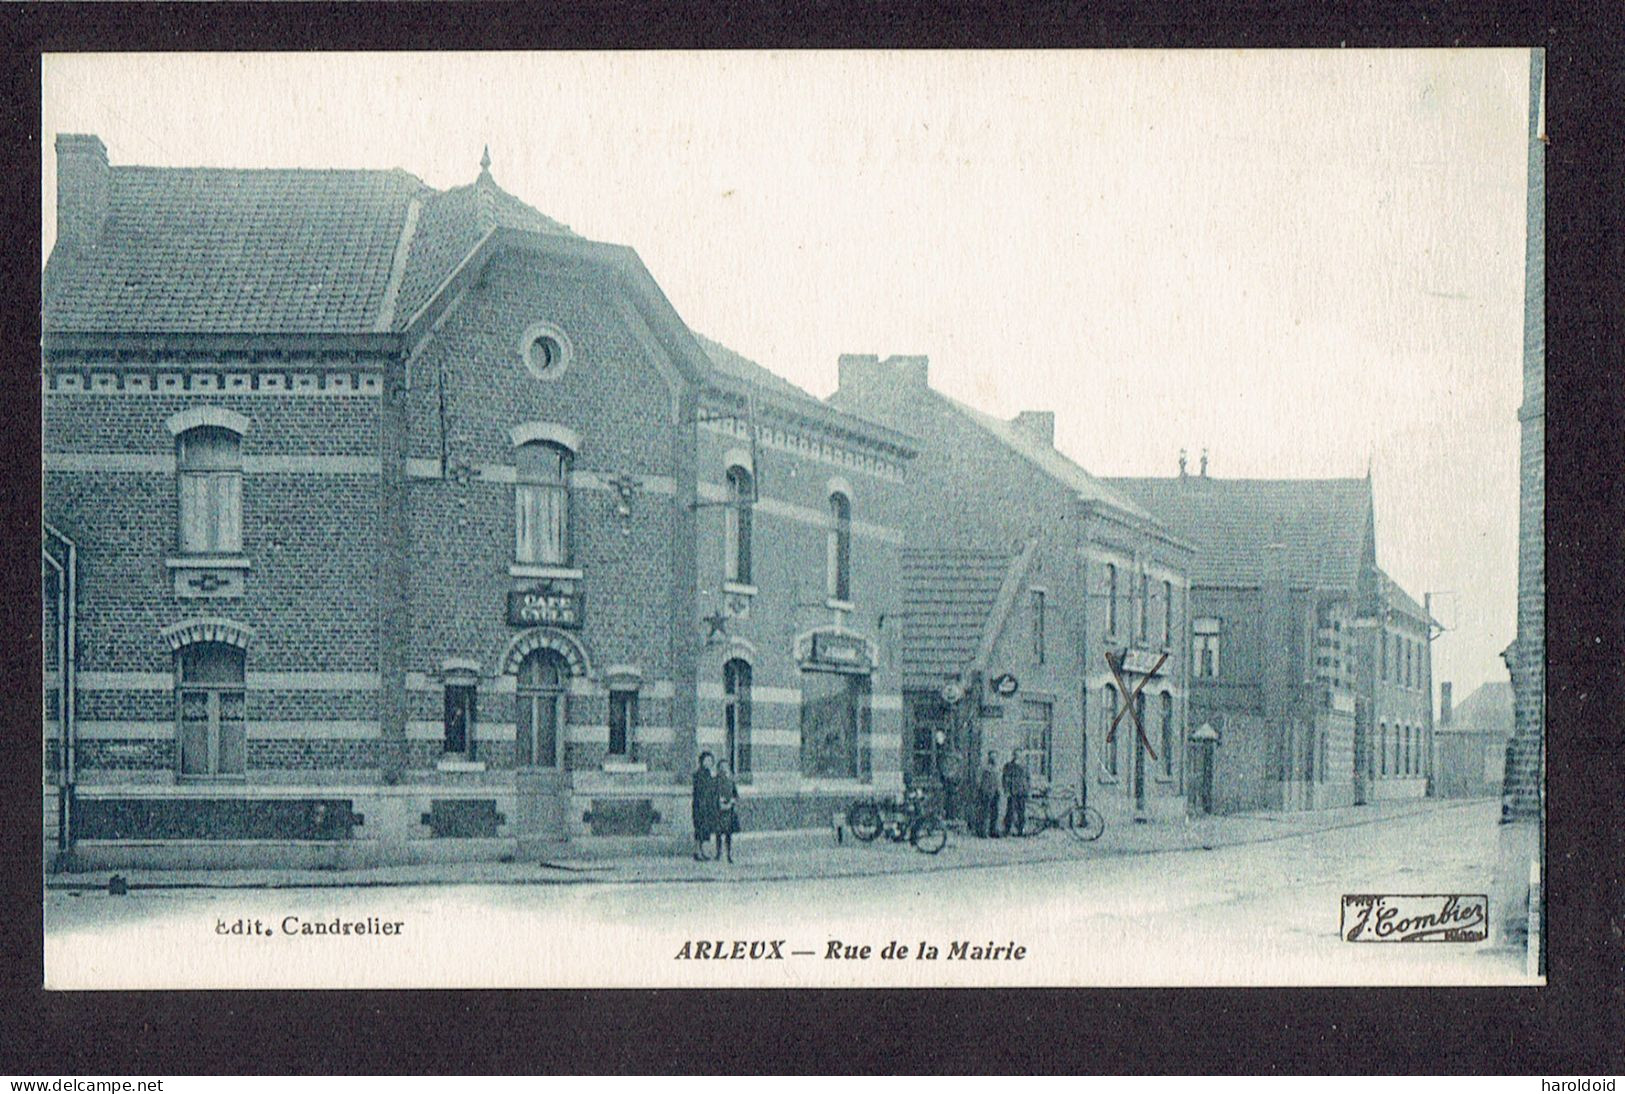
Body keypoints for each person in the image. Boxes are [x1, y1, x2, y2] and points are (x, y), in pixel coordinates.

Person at [691, 751, 719, 861]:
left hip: (708, 806)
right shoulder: (700, 775)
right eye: (706, 760)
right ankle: (699, 852)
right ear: (702, 762)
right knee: (700, 830)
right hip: (701, 806)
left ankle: (702, 852)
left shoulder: (709, 774)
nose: (709, 762)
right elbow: (701, 792)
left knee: (704, 830)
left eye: (710, 760)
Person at [714, 759, 741, 863]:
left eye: (725, 766)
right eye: (722, 767)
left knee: (728, 834)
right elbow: (713, 794)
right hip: (719, 810)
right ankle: (718, 853)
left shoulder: (731, 781)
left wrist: (731, 802)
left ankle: (729, 854)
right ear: (719, 768)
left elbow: (736, 795)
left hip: (729, 811)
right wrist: (718, 801)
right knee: (718, 833)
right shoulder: (716, 781)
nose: (723, 769)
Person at [1002, 753, 1031, 836]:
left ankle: (1020, 830)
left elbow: (1028, 779)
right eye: (1015, 755)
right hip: (1012, 792)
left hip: (1022, 792)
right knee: (1010, 811)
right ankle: (1007, 830)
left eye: (1019, 755)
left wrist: (1027, 790)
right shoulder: (1008, 766)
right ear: (1013, 756)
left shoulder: (1024, 766)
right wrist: (1006, 790)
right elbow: (1005, 779)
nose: (1017, 757)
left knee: (1021, 812)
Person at [977, 751, 1001, 839]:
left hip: (995, 792)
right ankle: (982, 831)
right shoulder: (984, 768)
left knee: (994, 813)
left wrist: (998, 790)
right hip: (986, 792)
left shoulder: (997, 769)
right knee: (984, 813)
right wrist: (982, 790)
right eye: (992, 757)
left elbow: (998, 781)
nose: (993, 759)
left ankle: (993, 830)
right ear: (989, 758)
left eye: (995, 757)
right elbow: (979, 780)